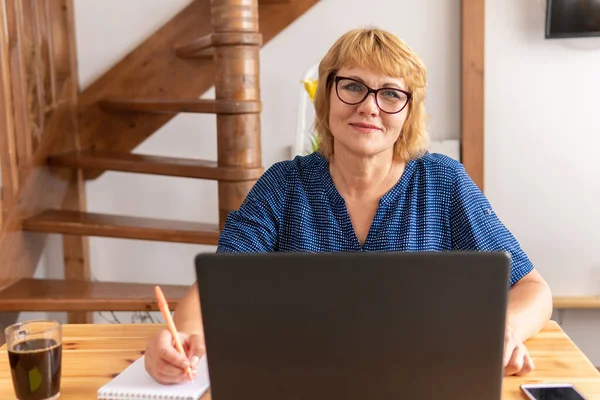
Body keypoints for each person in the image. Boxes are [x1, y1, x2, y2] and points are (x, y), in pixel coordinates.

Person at [144, 28, 552, 384]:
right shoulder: (283, 185)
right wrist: (184, 339)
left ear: (409, 113)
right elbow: (216, 289)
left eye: (391, 93)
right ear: (327, 95)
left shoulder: (443, 182)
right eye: (353, 86)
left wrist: (507, 329)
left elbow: (532, 289)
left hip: (421, 383)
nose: (370, 106)